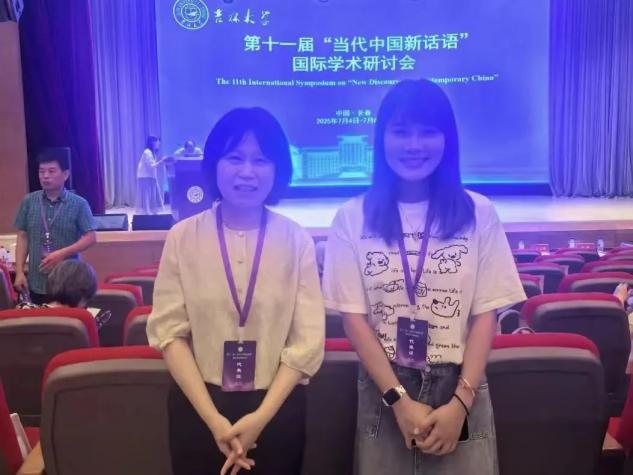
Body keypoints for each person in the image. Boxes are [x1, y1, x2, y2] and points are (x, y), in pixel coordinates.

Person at [322, 79, 526, 474]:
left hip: (460, 385)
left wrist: (460, 404)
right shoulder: (351, 217)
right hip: (385, 389)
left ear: (447, 138)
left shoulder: (479, 213)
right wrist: (399, 401)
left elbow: (485, 315)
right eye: (401, 132)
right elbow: (354, 320)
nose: (413, 145)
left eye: (427, 132)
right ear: (382, 139)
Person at [146, 107, 325, 475]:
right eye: (235, 158)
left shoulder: (296, 241)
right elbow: (169, 333)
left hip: (277, 410)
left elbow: (307, 343)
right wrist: (213, 419)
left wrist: (261, 417)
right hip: (198, 409)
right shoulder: (183, 238)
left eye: (260, 160)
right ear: (214, 164)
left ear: (277, 169)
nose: (247, 171)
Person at [14, 152, 96, 304]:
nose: (45, 176)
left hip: (69, 282)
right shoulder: (29, 201)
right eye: (41, 171)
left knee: (68, 319)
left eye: (51, 171)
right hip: (37, 281)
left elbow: (91, 237)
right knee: (40, 319)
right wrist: (19, 272)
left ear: (65, 174)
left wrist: (62, 254)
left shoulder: (79, 204)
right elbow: (23, 237)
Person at [136, 135, 170, 214]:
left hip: (150, 176)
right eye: (157, 142)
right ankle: (147, 212)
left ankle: (151, 211)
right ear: (152, 142)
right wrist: (162, 160)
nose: (158, 144)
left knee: (152, 194)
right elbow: (151, 166)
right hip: (145, 176)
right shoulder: (147, 152)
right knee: (147, 195)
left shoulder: (151, 152)